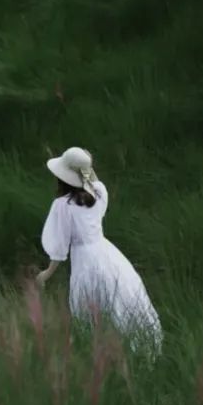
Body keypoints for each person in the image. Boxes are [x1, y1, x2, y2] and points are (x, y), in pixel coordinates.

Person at [36, 146, 162, 352]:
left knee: (89, 304)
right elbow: (92, 179)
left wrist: (46, 274)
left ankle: (98, 349)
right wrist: (85, 165)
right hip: (107, 253)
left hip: (85, 260)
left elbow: (59, 247)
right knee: (117, 297)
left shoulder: (62, 205)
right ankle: (126, 346)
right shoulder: (99, 192)